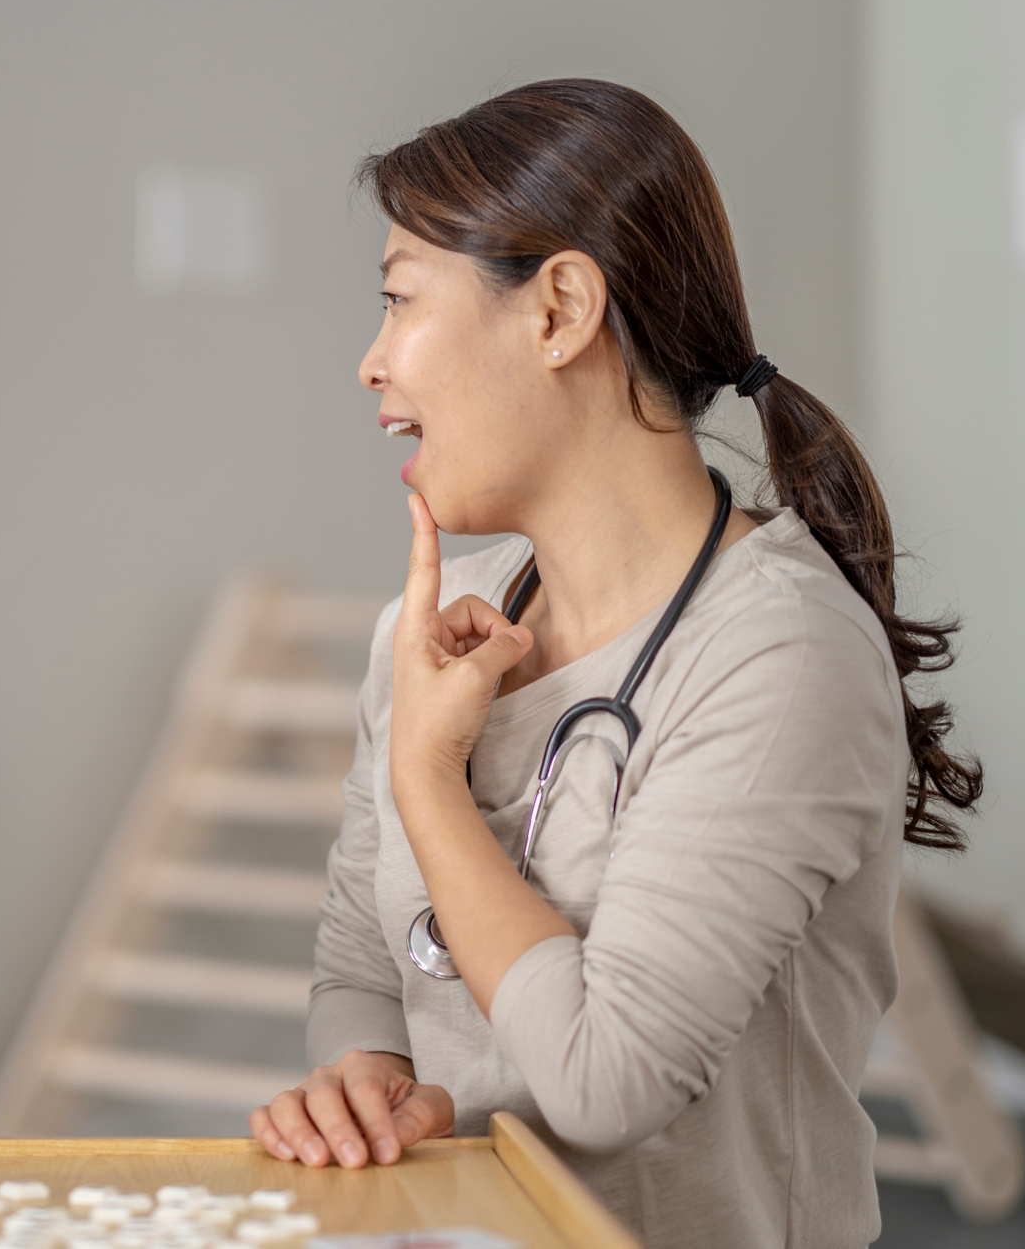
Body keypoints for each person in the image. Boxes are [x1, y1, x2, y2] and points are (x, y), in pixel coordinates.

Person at [250, 81, 981, 1246]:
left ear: (559, 311)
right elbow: (361, 964)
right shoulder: (439, 625)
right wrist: (362, 1083)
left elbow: (607, 1081)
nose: (371, 363)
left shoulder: (780, 654)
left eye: (397, 302)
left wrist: (432, 785)